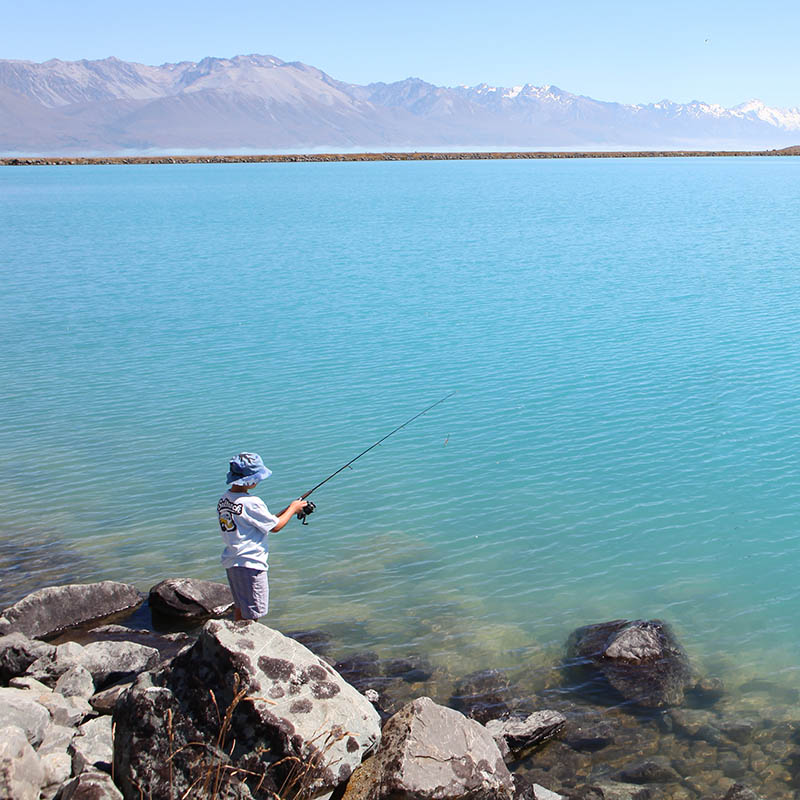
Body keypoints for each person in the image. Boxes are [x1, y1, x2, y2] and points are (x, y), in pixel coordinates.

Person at [217, 452, 309, 621]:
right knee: (253, 614)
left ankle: (233, 639)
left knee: (240, 607)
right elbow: (276, 527)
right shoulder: (252, 502)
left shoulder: (225, 499)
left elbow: (264, 521)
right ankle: (246, 645)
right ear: (250, 480)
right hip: (251, 565)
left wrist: (288, 510)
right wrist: (293, 508)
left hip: (232, 562)